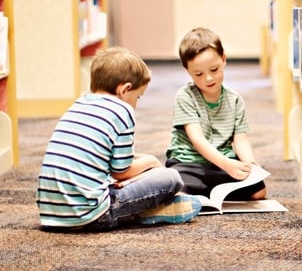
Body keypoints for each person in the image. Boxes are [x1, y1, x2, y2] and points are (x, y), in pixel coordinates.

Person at [36, 47, 202, 230]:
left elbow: (101, 156)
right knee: (171, 177)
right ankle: (149, 211)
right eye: (138, 97)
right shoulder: (122, 111)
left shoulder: (79, 104)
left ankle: (147, 209)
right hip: (92, 214)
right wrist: (151, 162)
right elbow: (121, 172)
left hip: (50, 214)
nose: (136, 103)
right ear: (125, 90)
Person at [165, 27, 267, 200]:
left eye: (214, 70)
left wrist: (250, 163)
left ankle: (207, 190)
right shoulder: (185, 96)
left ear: (224, 59)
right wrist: (226, 164)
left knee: (258, 192)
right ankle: (199, 190)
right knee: (177, 187)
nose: (208, 79)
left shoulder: (235, 99)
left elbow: (240, 139)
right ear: (187, 70)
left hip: (223, 162)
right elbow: (197, 140)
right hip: (189, 162)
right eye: (199, 74)